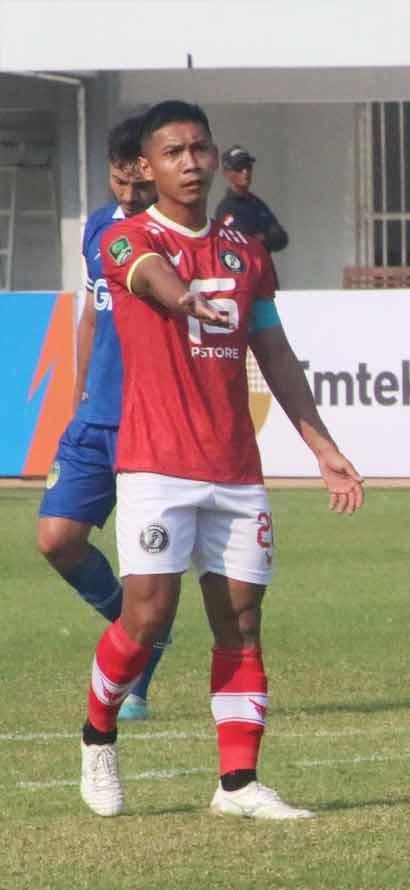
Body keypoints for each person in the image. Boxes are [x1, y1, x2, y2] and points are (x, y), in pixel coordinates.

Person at [80, 100, 365, 820]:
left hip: (235, 466)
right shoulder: (125, 237)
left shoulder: (247, 251)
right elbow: (150, 277)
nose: (191, 161)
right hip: (154, 463)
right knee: (147, 615)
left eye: (199, 148)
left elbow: (274, 350)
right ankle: (98, 735)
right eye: (173, 151)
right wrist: (187, 302)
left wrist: (324, 448)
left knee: (240, 619)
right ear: (146, 168)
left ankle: (237, 783)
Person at [37, 115, 165, 721]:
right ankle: (135, 629)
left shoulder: (177, 237)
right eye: (119, 184)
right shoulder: (99, 226)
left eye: (136, 185)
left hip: (154, 422)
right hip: (97, 416)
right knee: (57, 540)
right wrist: (81, 395)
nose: (128, 197)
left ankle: (136, 671)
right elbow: (92, 315)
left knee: (151, 559)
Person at [214, 145, 289, 253]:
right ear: (227, 173)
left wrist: (263, 237)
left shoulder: (257, 204)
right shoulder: (226, 208)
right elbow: (241, 243)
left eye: (248, 166)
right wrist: (266, 236)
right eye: (239, 167)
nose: (245, 172)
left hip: (263, 267)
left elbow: (281, 238)